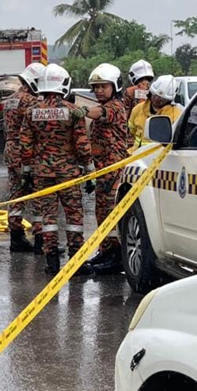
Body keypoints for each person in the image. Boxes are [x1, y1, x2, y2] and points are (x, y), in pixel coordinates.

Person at [20, 64, 94, 275]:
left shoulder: (31, 112)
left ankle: (51, 261)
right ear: (64, 84)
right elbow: (82, 145)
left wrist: (26, 173)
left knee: (48, 219)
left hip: (42, 174)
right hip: (69, 175)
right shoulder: (73, 112)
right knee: (73, 218)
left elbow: (26, 146)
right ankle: (76, 261)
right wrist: (90, 173)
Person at [74, 63, 129, 275]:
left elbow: (99, 112)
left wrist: (84, 110)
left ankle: (116, 257)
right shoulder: (106, 104)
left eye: (103, 86)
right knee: (101, 213)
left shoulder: (115, 107)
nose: (98, 90)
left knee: (111, 213)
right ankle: (106, 251)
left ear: (114, 87)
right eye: (95, 87)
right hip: (102, 171)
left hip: (114, 171)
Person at [3, 62, 45, 253]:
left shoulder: (10, 100)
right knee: (37, 195)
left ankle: (16, 237)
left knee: (16, 195)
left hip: (11, 149)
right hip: (27, 152)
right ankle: (40, 240)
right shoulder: (31, 102)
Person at [128, 74, 183, 151]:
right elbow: (131, 131)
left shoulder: (175, 114)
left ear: (169, 100)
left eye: (161, 99)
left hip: (159, 157)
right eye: (155, 95)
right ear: (150, 93)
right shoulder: (138, 109)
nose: (157, 99)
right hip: (135, 154)